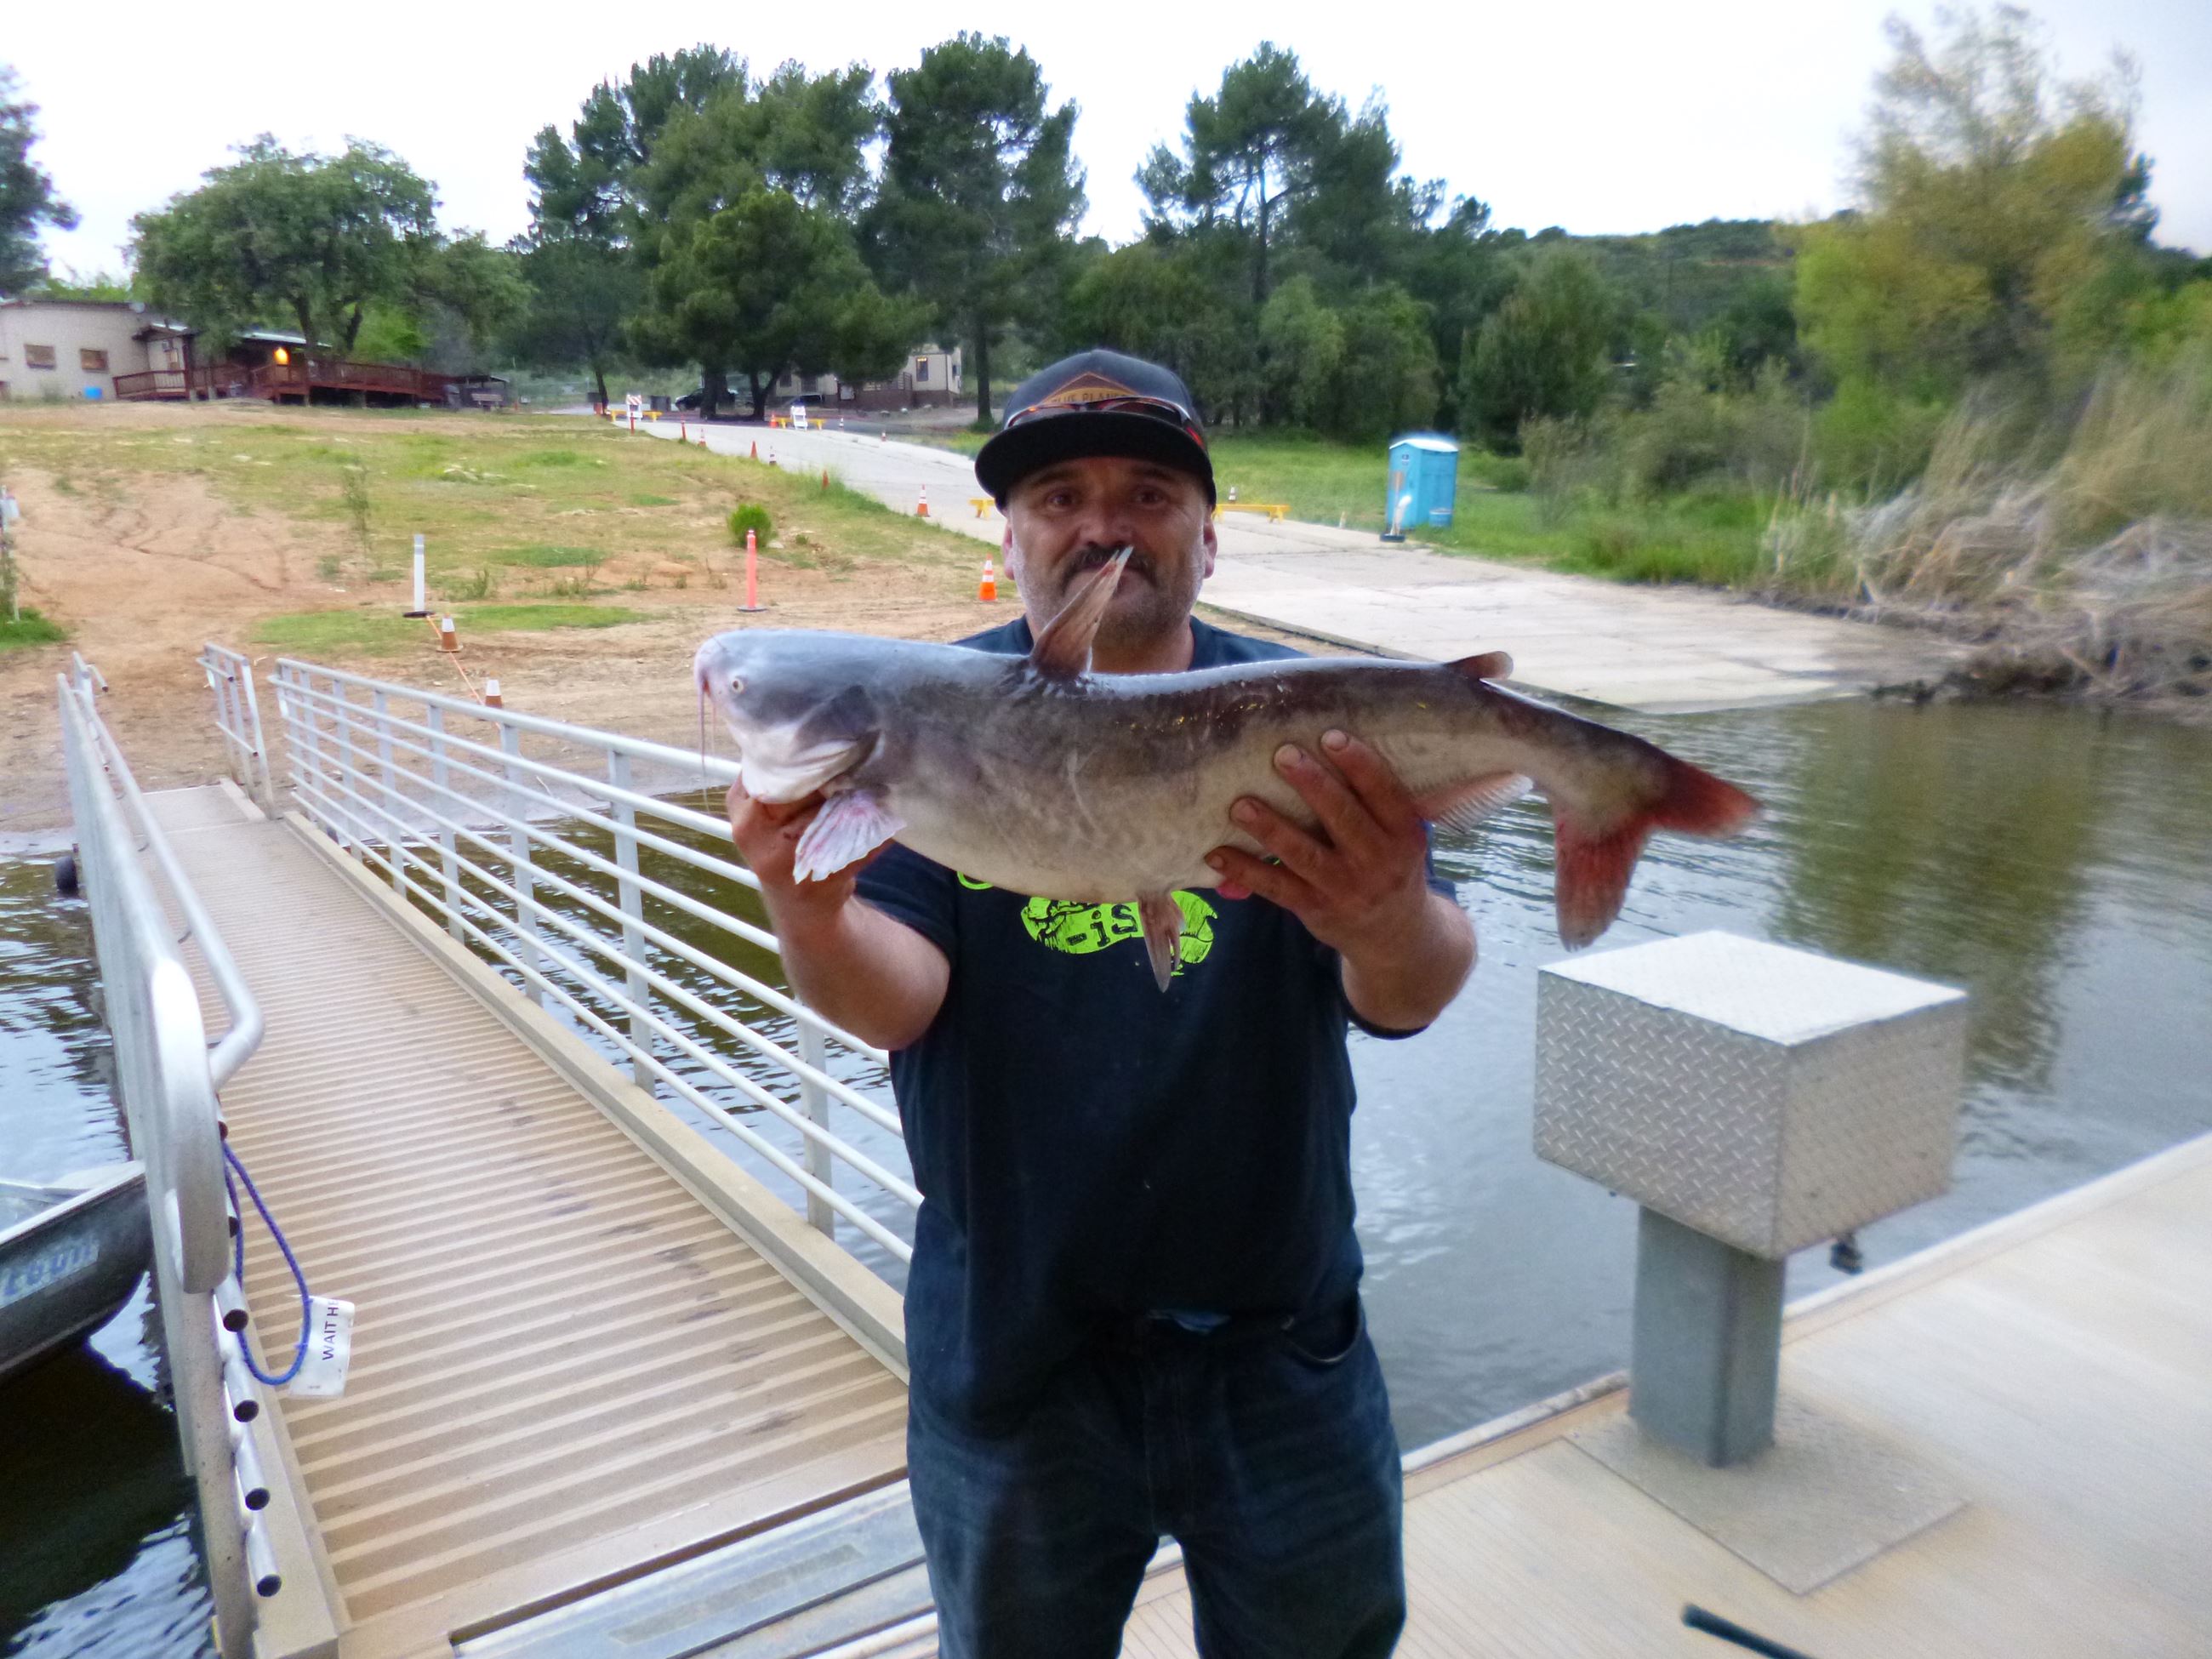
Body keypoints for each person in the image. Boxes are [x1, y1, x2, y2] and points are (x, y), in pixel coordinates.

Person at [726, 349, 1475, 1658]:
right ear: (1009, 537)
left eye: (1148, 493)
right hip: (1018, 1357)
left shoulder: (1311, 722)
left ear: (1208, 535)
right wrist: (808, 907)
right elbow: (900, 1005)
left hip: (1282, 1350)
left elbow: (1413, 990)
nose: (1103, 524)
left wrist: (1384, 916)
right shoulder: (923, 717)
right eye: (1060, 495)